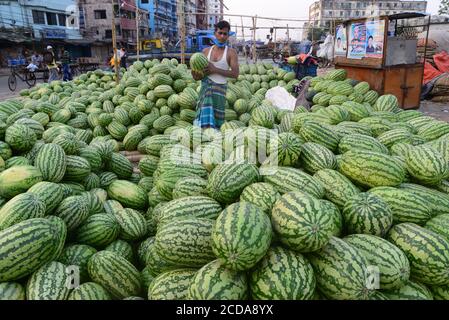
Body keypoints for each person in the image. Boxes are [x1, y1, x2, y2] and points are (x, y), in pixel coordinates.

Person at [191, 20, 239, 130]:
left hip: (220, 91)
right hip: (205, 89)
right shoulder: (205, 51)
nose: (222, 36)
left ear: (228, 35)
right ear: (215, 33)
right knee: (202, 122)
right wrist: (196, 75)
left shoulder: (231, 52)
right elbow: (200, 75)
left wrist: (215, 69)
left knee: (217, 123)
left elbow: (235, 74)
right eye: (220, 33)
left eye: (225, 34)